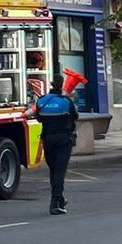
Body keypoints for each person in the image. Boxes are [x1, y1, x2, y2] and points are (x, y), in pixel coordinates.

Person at [29, 76, 81, 215]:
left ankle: (60, 198)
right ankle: (55, 203)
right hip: (64, 140)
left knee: (53, 171)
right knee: (59, 172)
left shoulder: (42, 100)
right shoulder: (66, 101)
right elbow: (75, 117)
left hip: (48, 139)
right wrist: (70, 99)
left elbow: (38, 117)